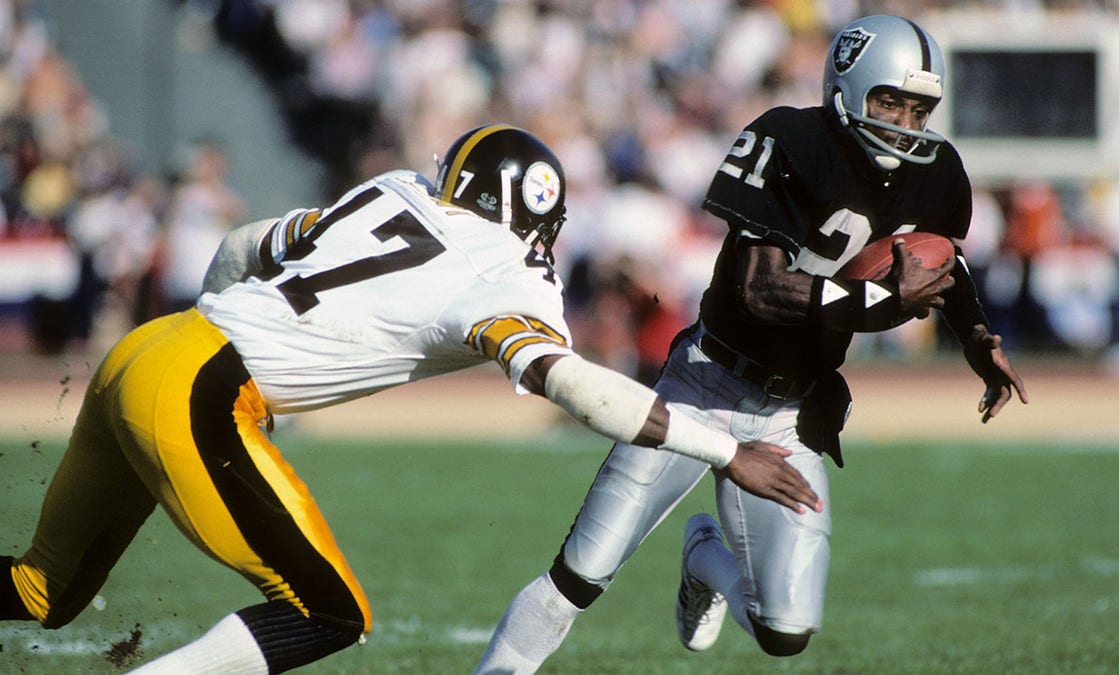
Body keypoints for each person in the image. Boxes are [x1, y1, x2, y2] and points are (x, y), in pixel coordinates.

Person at [0, 124, 819, 674]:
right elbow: (571, 385)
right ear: (540, 217)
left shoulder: (397, 190)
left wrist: (206, 331)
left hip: (148, 348)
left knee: (44, 590)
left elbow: (241, 245)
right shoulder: (509, 271)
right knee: (329, 612)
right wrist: (723, 449)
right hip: (197, 386)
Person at [474, 15, 1029, 672]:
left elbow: (940, 261)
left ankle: (703, 556)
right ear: (848, 88)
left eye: (918, 108)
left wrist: (974, 339)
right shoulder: (787, 138)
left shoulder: (937, 171)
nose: (904, 123)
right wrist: (880, 304)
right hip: (704, 385)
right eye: (889, 101)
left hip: (793, 411)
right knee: (579, 577)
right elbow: (761, 290)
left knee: (785, 631)